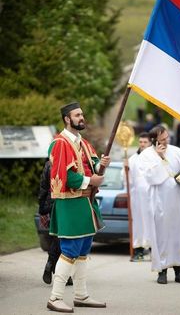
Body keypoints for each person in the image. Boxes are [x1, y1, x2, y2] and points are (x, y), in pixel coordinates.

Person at [47, 102, 110, 313]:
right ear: (67, 118)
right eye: (77, 115)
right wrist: (93, 181)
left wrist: (103, 165)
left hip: (86, 204)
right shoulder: (60, 144)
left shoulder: (84, 143)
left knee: (83, 251)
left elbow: (94, 170)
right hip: (70, 205)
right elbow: (66, 178)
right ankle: (55, 297)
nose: (82, 117)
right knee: (70, 250)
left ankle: (81, 295)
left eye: (82, 114)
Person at [138, 125, 180, 285]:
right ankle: (162, 271)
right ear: (154, 140)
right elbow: (150, 177)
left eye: (167, 138)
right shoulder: (146, 155)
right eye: (162, 140)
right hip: (159, 202)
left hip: (179, 200)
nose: (166, 141)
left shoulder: (177, 151)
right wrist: (160, 158)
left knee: (179, 235)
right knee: (161, 236)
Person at [38, 160, 72, 286]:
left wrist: (41, 206)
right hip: (63, 204)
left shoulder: (49, 164)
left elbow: (43, 186)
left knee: (57, 238)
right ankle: (57, 269)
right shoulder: (67, 163)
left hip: (51, 203)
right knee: (62, 238)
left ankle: (53, 267)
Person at [128, 132, 152, 262]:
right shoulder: (133, 159)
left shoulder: (155, 158)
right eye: (141, 142)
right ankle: (139, 250)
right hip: (138, 197)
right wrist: (126, 169)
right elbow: (128, 180)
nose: (142, 144)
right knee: (139, 223)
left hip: (152, 196)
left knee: (152, 222)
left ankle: (154, 249)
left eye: (145, 142)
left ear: (150, 143)